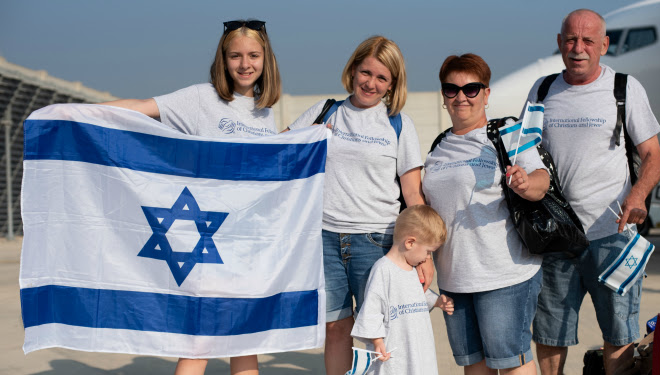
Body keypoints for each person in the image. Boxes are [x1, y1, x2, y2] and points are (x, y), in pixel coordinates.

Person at [101, 19, 282, 375]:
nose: (245, 64)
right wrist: (79, 112)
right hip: (208, 242)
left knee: (246, 340)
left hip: (248, 244)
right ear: (223, 59)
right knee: (199, 342)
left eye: (253, 55)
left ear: (266, 59)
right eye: (235, 56)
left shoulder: (265, 113)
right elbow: (141, 107)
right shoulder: (202, 98)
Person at [524, 9, 660, 375]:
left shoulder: (624, 87)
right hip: (556, 237)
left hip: (613, 235)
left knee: (619, 332)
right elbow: (524, 154)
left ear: (604, 45)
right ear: (559, 43)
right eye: (570, 39)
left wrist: (637, 196)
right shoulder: (541, 90)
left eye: (588, 40)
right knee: (550, 332)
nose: (578, 48)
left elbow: (653, 156)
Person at [285, 36, 429, 374]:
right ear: (352, 70)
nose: (371, 83)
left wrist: (425, 254)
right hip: (324, 239)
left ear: (393, 84)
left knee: (380, 332)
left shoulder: (399, 124)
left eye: (382, 78)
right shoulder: (325, 110)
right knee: (336, 329)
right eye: (366, 72)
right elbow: (278, 153)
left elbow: (412, 194)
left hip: (377, 242)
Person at [422, 53, 550, 375]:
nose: (461, 97)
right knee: (474, 367)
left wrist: (525, 182)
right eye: (451, 89)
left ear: (486, 94)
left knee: (511, 365)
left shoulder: (505, 133)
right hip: (455, 278)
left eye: (471, 88)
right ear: (444, 96)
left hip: (503, 274)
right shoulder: (438, 148)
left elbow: (541, 181)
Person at [351, 204, 454, 374]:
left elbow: (416, 294)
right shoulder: (383, 270)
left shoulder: (412, 269)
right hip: (394, 351)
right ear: (410, 243)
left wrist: (437, 301)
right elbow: (372, 308)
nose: (428, 258)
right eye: (428, 252)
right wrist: (377, 341)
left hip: (419, 348)